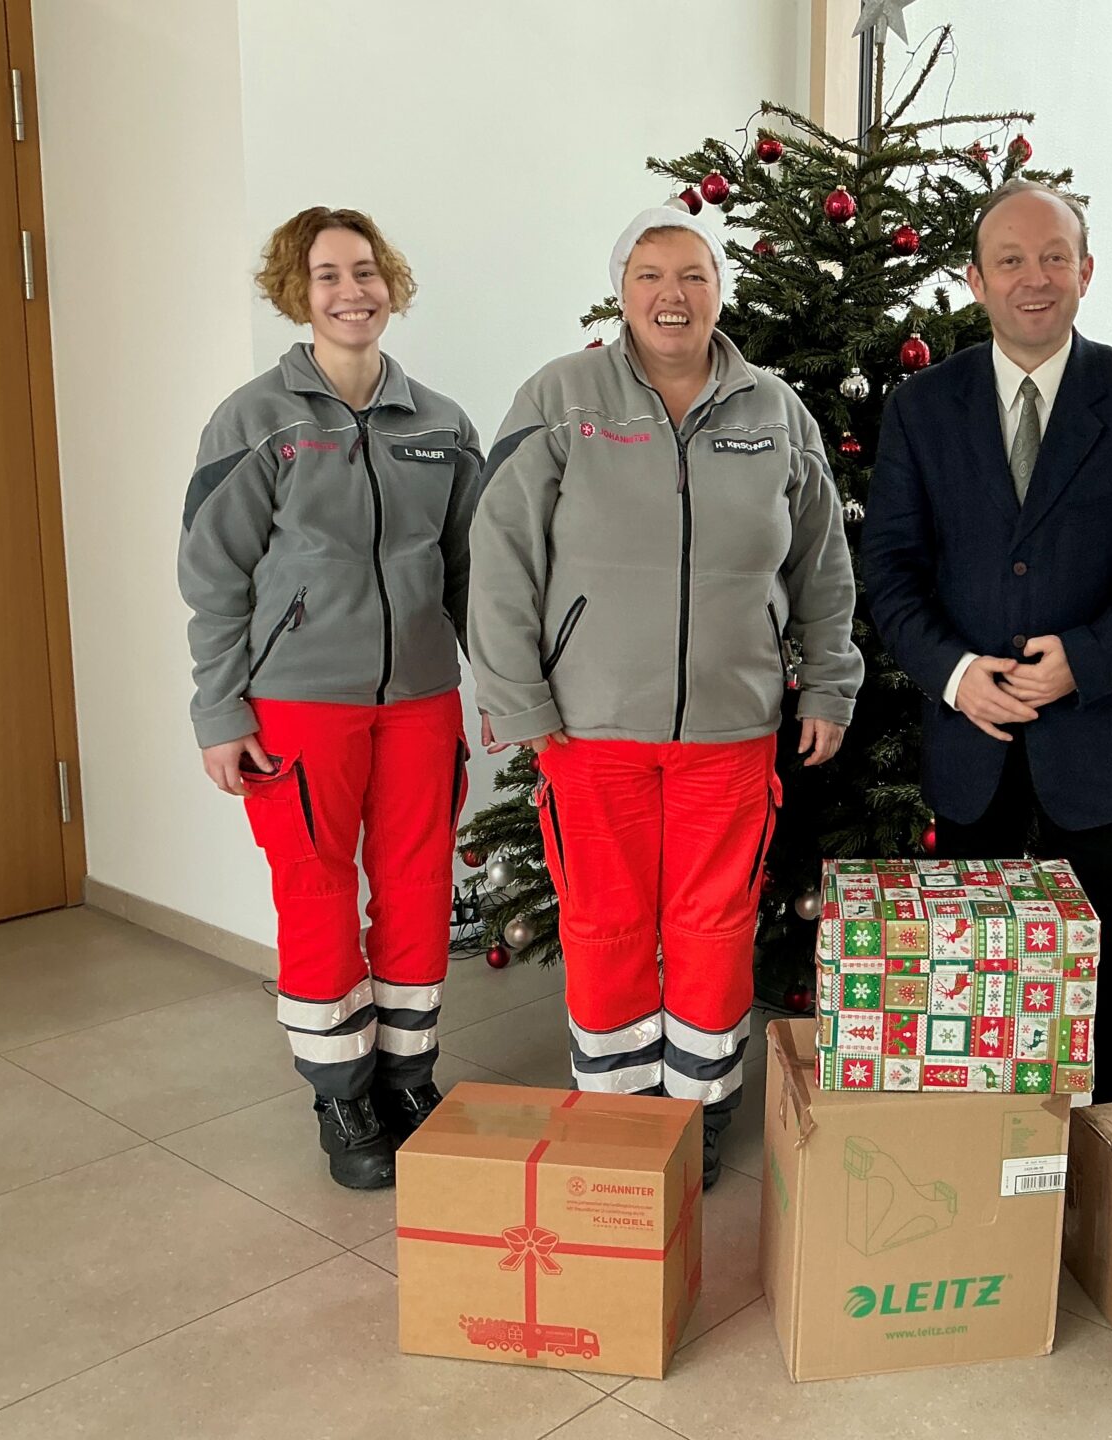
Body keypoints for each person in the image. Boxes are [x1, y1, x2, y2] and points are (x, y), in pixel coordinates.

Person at [468, 205, 861, 1187]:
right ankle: (618, 1103)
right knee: (603, 921)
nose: (671, 294)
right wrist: (518, 696)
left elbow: (823, 568)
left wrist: (828, 684)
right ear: (621, 290)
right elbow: (501, 553)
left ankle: (700, 1101)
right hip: (590, 726)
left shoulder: (775, 412)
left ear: (719, 290)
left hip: (730, 729)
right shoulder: (560, 397)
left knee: (713, 926)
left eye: (692, 274)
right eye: (649, 274)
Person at [862, 180, 1112, 1105]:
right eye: (1010, 260)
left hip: (1094, 739)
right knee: (966, 971)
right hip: (970, 736)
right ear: (975, 280)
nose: (1034, 278)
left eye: (1054, 257)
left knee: (1107, 966)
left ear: (1086, 272)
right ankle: (977, 1142)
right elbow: (890, 569)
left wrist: (1084, 664)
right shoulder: (921, 407)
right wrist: (956, 672)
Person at [178, 207, 485, 1189]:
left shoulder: (440, 423)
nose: (352, 291)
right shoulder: (254, 419)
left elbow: (474, 571)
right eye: (327, 277)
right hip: (299, 705)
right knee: (316, 895)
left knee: (417, 886)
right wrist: (220, 713)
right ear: (296, 294)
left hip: (422, 699)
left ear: (389, 282)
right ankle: (341, 1093)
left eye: (365, 271)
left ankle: (406, 1075)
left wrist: (504, 687)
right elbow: (214, 578)